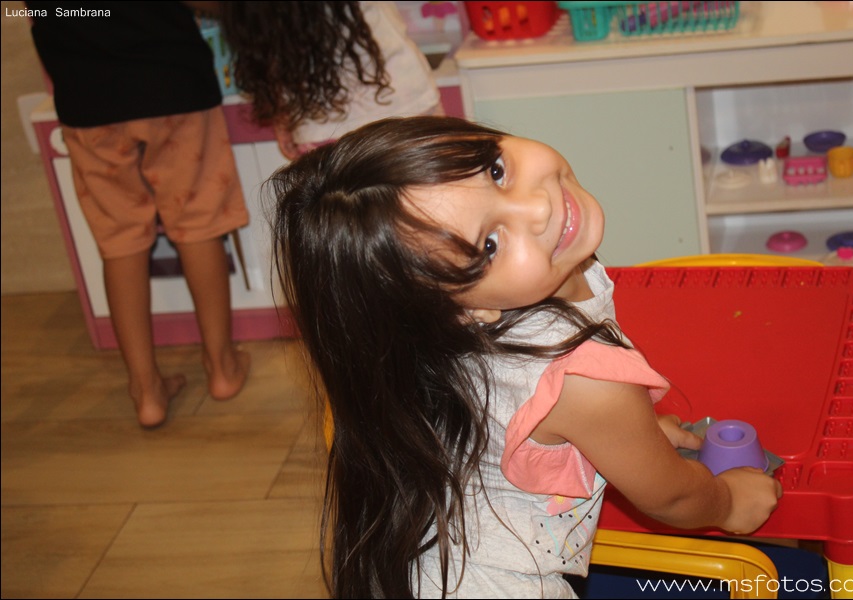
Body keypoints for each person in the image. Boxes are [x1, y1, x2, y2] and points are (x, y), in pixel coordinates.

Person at [267, 115, 783, 598]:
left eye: (495, 171)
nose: (537, 208)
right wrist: (729, 502)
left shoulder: (445, 326)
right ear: (463, 314)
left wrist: (627, 438)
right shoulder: (587, 381)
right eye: (489, 245)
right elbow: (671, 497)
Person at [26, 1, 251, 428]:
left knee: (120, 241)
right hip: (172, 83)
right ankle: (222, 368)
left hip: (86, 97)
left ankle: (146, 392)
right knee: (198, 223)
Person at [215, 1, 443, 160]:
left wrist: (283, 119)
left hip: (320, 126)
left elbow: (267, 50)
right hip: (404, 105)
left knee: (354, 216)